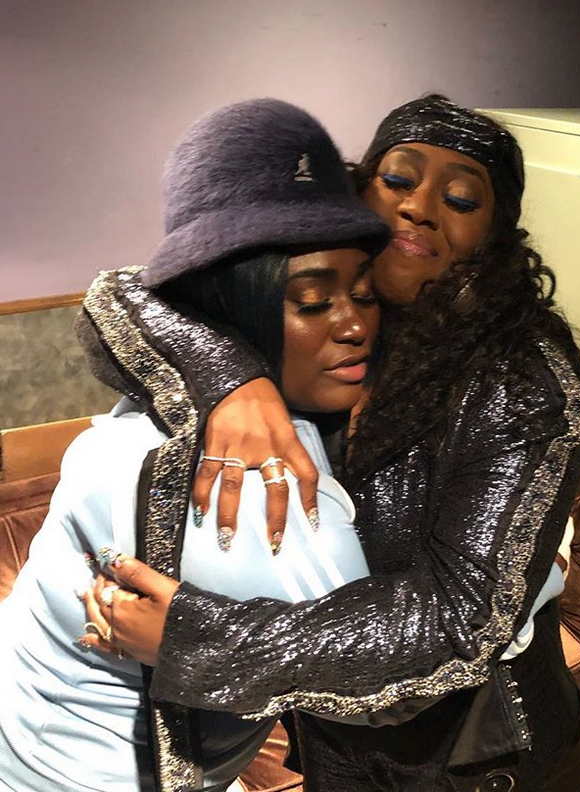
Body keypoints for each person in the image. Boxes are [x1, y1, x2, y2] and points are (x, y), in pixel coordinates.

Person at [80, 95, 580, 792]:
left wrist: (196, 639)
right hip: (335, 718)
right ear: (359, 192)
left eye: (460, 198)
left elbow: (461, 620)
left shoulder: (521, 383)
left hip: (466, 750)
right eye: (399, 179)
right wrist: (232, 382)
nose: (419, 207)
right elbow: (121, 297)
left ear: (496, 237)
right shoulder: (351, 317)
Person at [0, 98, 393, 792]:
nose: (354, 324)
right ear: (229, 301)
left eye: (364, 294)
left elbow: (125, 291)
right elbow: (388, 685)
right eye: (312, 301)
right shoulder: (262, 493)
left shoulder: (168, 385)